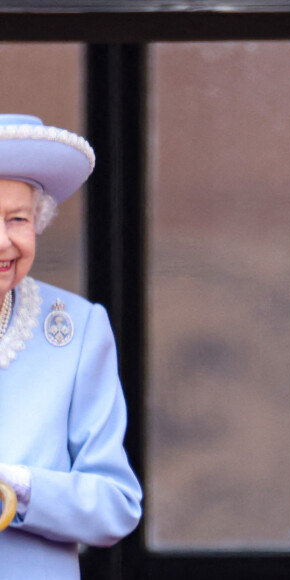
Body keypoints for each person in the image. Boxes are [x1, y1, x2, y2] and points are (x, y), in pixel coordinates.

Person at [0, 114, 142, 579]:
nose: (4, 241)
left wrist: (16, 488)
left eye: (16, 219)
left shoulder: (78, 329)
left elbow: (116, 505)